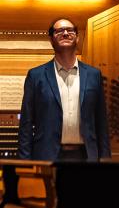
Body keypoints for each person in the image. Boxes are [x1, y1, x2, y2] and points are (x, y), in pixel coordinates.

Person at [17, 17, 111, 161]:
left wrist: (105, 159)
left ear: (77, 38)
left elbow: (101, 123)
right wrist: (24, 164)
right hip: (47, 157)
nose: (66, 33)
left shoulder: (94, 75)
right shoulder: (36, 76)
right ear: (51, 39)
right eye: (59, 31)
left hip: (86, 156)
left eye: (70, 30)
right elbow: (26, 124)